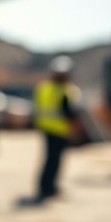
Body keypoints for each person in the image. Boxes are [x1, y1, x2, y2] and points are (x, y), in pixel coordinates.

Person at [34, 55, 80, 200]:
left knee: (50, 159)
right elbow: (68, 113)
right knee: (54, 161)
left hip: (46, 128)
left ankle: (47, 186)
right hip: (58, 130)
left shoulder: (44, 88)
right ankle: (49, 188)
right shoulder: (64, 91)